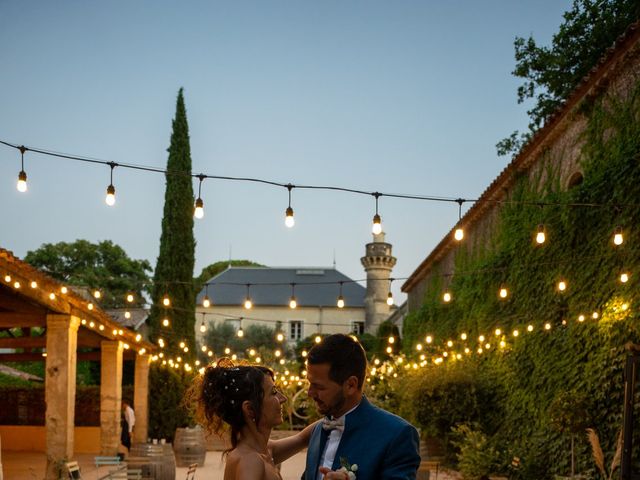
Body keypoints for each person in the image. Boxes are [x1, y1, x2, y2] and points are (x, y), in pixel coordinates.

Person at [302, 333, 421, 480]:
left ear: (351, 385)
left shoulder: (397, 435)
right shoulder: (319, 430)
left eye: (318, 387)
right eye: (309, 383)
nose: (309, 393)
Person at [192, 358, 317, 480]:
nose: (283, 398)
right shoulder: (251, 462)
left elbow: (302, 438)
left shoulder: (265, 450)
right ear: (250, 409)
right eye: (273, 392)